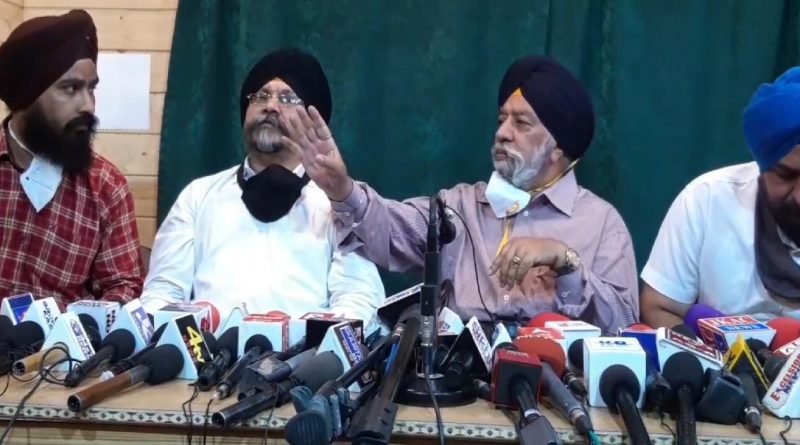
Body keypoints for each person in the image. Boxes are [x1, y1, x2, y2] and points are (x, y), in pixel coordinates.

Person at [281, 55, 639, 334]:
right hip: (458, 389)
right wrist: (340, 187)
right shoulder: (460, 207)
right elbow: (390, 229)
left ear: (559, 146)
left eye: (521, 123)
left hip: (559, 392)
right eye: (501, 119)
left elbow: (625, 323)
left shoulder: (601, 223)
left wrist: (565, 261)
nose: (502, 133)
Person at [140, 48, 385, 322]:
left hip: (304, 348)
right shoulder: (198, 197)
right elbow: (162, 293)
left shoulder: (337, 202)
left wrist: (307, 340)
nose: (271, 106)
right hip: (205, 347)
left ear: (313, 120)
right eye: (261, 96)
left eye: (287, 98)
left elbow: (359, 301)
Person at [0, 10, 143, 306]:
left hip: (64, 336)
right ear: (26, 94)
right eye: (70, 88)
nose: (88, 106)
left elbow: (122, 287)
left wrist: (85, 324)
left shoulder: (106, 186)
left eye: (91, 89)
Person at [641, 67, 800, 328]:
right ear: (763, 165)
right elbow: (659, 307)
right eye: (785, 175)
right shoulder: (707, 200)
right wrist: (698, 348)